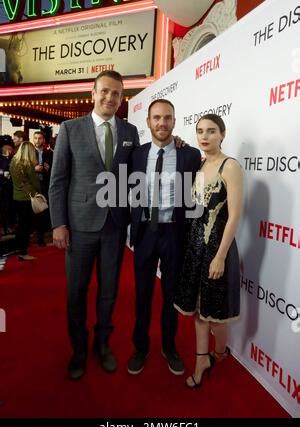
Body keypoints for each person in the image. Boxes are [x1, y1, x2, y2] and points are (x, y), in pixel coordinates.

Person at [49, 70, 140, 380]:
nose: (109, 98)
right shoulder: (70, 129)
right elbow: (58, 181)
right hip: (79, 226)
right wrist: (59, 223)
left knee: (109, 292)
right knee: (76, 291)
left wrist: (174, 145)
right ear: (93, 93)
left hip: (114, 226)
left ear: (121, 98)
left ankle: (103, 345)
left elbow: (137, 172)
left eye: (116, 94)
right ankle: (78, 349)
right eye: (104, 92)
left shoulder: (130, 132)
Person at [127, 99, 201, 376]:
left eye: (167, 118)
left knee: (171, 294)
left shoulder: (189, 155)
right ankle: (140, 347)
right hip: (145, 231)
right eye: (156, 118)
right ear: (148, 122)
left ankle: (169, 346)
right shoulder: (136, 154)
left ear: (174, 120)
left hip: (174, 233)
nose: (162, 123)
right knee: (142, 294)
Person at [174, 113, 243, 388]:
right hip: (195, 247)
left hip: (217, 248)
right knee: (198, 310)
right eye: (200, 131)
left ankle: (219, 352)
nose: (204, 136)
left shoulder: (231, 166)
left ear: (222, 134)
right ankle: (202, 359)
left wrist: (221, 255)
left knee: (216, 311)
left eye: (211, 131)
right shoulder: (200, 167)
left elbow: (235, 215)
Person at [9, 142, 40, 261]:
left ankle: (19, 249)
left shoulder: (13, 163)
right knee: (26, 226)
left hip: (16, 197)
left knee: (20, 225)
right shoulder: (27, 165)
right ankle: (23, 252)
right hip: (27, 198)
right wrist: (38, 192)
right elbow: (35, 182)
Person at [33, 131, 53, 245]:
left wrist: (47, 168)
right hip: (33, 183)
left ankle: (42, 233)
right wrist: (34, 168)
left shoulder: (49, 153)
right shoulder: (30, 152)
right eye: (35, 138)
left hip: (45, 183)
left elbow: (54, 167)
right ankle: (37, 233)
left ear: (43, 140)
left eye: (40, 138)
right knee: (35, 208)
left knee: (44, 208)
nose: (37, 140)